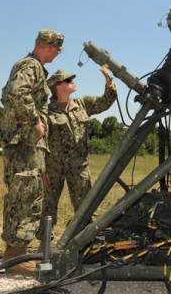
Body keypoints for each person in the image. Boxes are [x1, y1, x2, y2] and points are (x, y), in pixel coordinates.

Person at [0, 29, 64, 276]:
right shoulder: (32, 66)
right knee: (26, 197)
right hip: (24, 143)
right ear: (49, 47)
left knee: (24, 195)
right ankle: (16, 258)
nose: (57, 54)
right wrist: (34, 119)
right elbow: (17, 91)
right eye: (57, 50)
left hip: (25, 144)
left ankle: (16, 254)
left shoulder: (29, 65)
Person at [39, 67, 116, 240]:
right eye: (68, 80)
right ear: (57, 86)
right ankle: (43, 246)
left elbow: (105, 102)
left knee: (84, 206)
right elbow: (40, 142)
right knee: (48, 206)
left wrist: (109, 84)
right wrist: (42, 169)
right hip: (53, 167)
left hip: (79, 166)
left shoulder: (83, 104)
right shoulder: (46, 111)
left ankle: (84, 242)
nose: (72, 81)